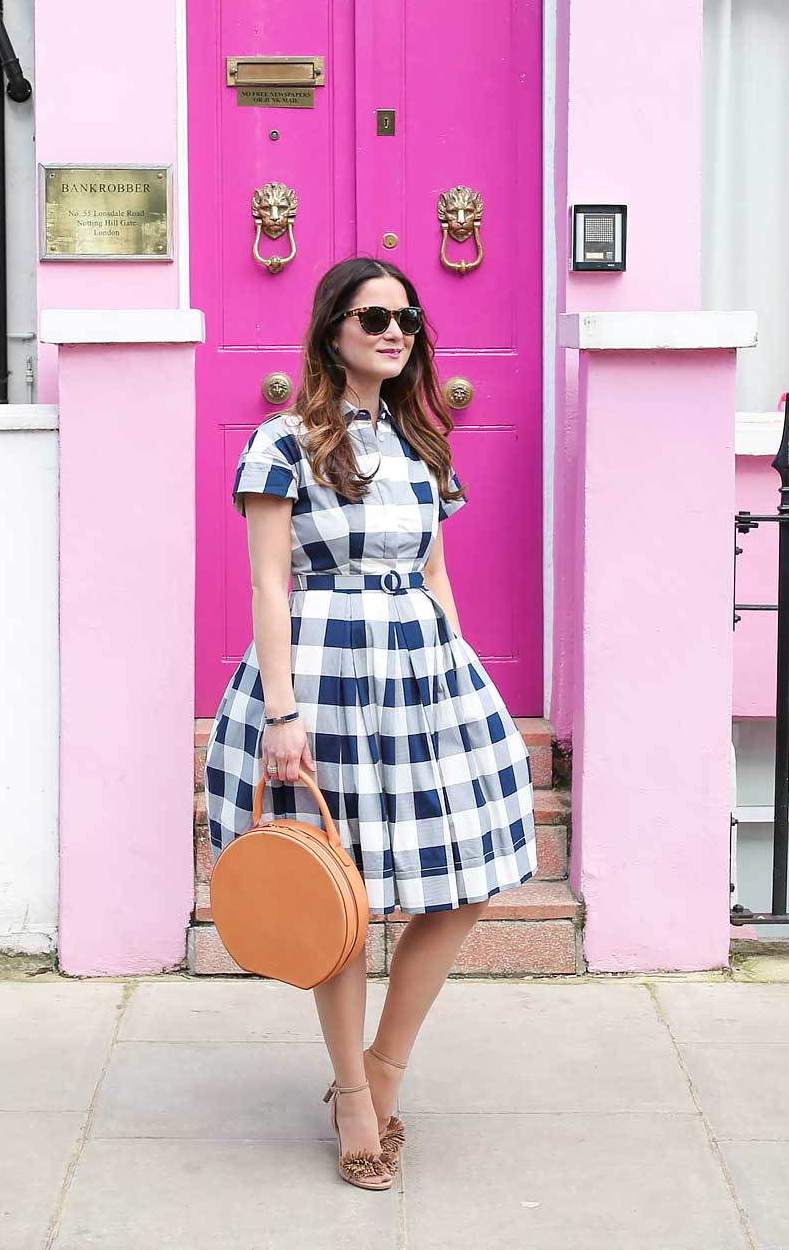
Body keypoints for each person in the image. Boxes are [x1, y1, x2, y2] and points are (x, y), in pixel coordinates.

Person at [204, 256, 539, 1190]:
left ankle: (386, 1065)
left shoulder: (424, 447)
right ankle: (355, 1096)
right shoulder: (284, 441)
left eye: (407, 320)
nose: (395, 332)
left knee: (463, 881)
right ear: (332, 331)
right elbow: (270, 582)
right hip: (322, 673)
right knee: (334, 896)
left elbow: (434, 575)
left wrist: (461, 676)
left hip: (422, 672)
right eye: (373, 317)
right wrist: (281, 711)